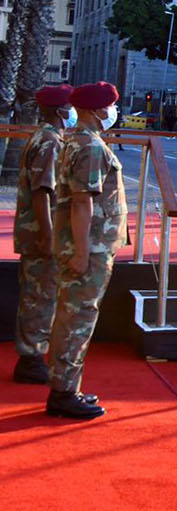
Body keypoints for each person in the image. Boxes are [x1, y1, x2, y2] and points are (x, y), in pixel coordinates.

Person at [46, 82, 128, 419]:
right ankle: (63, 393)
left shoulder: (76, 141)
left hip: (86, 244)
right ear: (97, 110)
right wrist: (82, 252)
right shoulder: (90, 147)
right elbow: (82, 203)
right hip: (89, 246)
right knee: (77, 318)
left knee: (73, 315)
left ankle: (68, 387)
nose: (113, 112)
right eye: (110, 105)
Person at [12, 85, 72, 385]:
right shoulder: (49, 140)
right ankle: (31, 358)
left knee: (40, 293)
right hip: (40, 232)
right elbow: (42, 192)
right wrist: (49, 237)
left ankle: (33, 355)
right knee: (39, 296)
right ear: (62, 111)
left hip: (38, 230)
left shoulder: (48, 137)